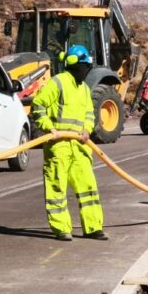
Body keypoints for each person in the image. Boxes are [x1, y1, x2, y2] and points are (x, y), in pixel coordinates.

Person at [31, 44, 107, 241]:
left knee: (88, 187)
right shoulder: (58, 83)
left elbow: (90, 113)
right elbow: (38, 106)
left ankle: (93, 227)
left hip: (80, 147)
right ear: (73, 64)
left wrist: (87, 130)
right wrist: (49, 127)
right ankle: (62, 229)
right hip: (59, 146)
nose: (87, 70)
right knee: (56, 188)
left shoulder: (83, 88)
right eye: (85, 66)